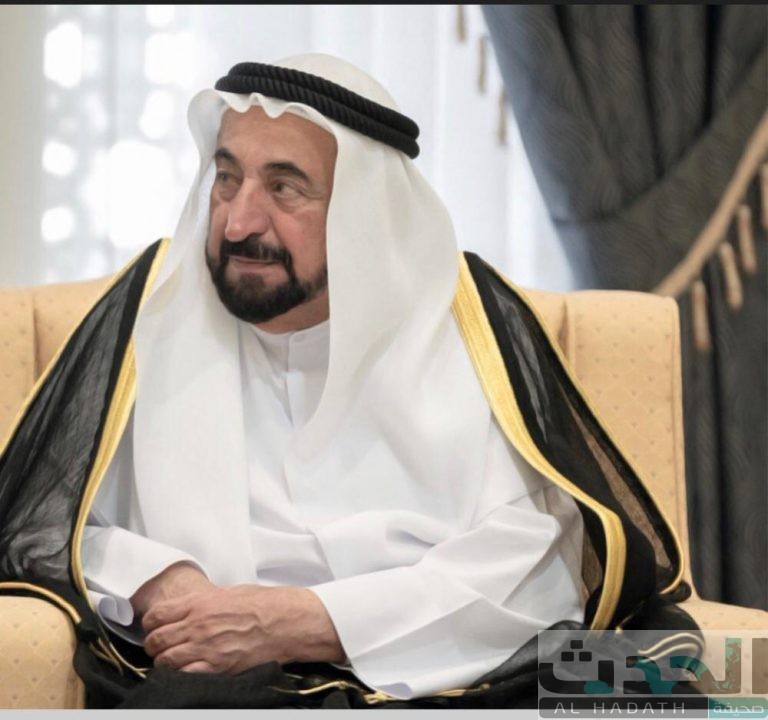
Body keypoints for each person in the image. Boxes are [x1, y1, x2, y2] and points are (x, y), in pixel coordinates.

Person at [0, 53, 693, 709]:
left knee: (682, 681)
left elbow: (538, 555)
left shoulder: (464, 320)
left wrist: (310, 620)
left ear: (367, 214)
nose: (238, 221)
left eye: (284, 188)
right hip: (231, 682)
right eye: (227, 178)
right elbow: (53, 518)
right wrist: (160, 580)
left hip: (468, 668)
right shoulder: (158, 307)